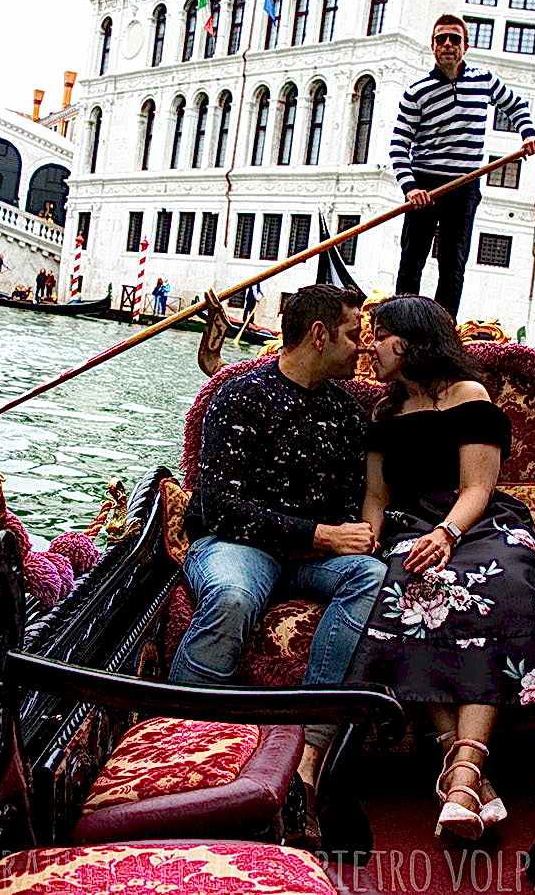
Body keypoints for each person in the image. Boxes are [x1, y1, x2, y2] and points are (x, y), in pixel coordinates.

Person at [347, 295, 535, 840]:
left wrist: (447, 533)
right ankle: (465, 775)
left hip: (474, 524)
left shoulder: (468, 396)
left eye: (381, 334)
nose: (372, 344)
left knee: (504, 582)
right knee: (406, 589)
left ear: (413, 341)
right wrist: (370, 544)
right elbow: (375, 496)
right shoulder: (383, 415)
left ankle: (462, 770)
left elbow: (478, 487)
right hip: (409, 528)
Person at [173, 285, 384, 807]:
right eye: (353, 335)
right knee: (233, 596)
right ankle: (181, 734)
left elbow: (354, 501)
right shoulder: (242, 395)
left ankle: (310, 744)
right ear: (318, 335)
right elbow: (222, 506)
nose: (360, 347)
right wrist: (319, 535)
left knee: (370, 576)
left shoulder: (346, 414)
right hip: (237, 545)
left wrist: (352, 535)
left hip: (311, 559)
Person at [390, 14, 535, 317]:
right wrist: (411, 188)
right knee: (411, 260)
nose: (448, 44)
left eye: (455, 39)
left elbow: (516, 104)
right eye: (441, 39)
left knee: (453, 264)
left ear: (466, 45)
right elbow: (398, 144)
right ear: (433, 46)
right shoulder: (416, 92)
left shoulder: (484, 81)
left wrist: (528, 133)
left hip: (464, 185)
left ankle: (442, 332)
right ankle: (401, 326)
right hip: (425, 185)